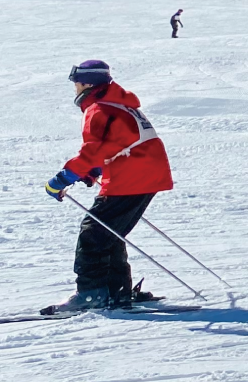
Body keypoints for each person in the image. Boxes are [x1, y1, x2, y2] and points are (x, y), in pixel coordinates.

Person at [43, 59, 173, 312]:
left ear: (87, 84)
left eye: (77, 84)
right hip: (143, 173)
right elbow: (116, 143)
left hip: (133, 177)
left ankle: (92, 294)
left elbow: (91, 151)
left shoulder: (100, 110)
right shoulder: (118, 104)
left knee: (93, 233)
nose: (75, 89)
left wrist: (61, 180)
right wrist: (94, 170)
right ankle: (116, 290)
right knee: (108, 231)